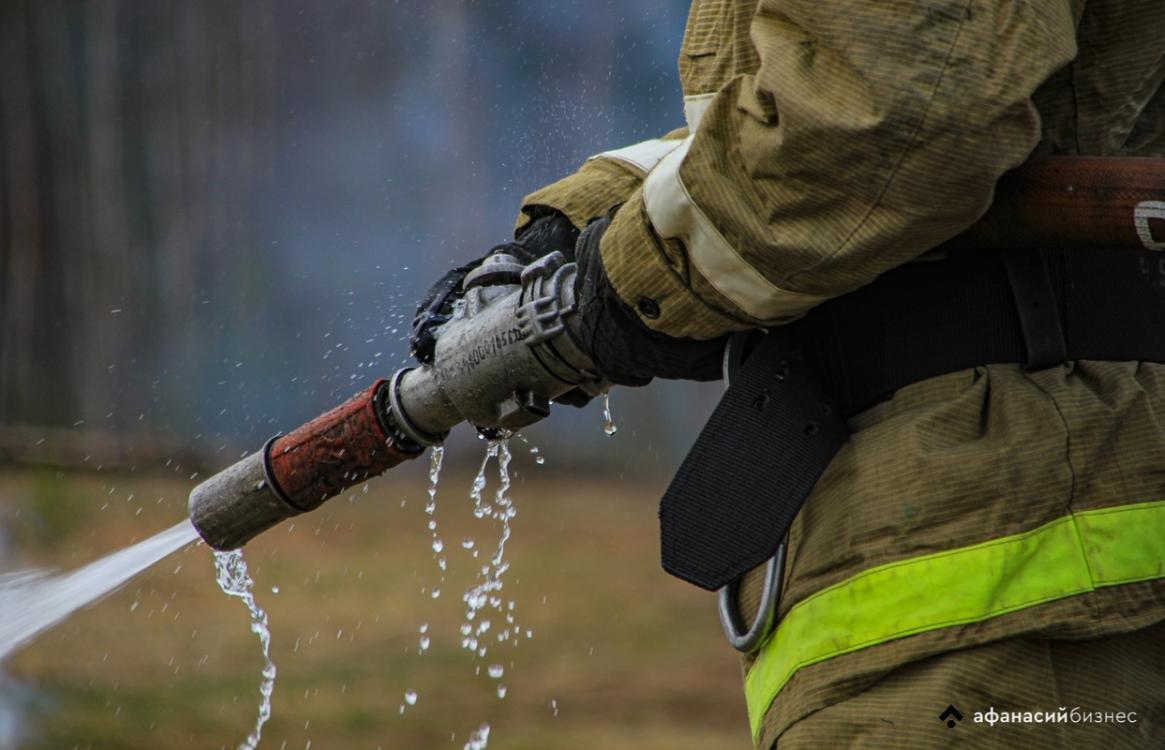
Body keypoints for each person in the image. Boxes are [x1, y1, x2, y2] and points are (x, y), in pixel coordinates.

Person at [415, 1, 1165, 747]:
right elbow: (795, 102)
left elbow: (883, 120)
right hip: (993, 554)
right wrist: (577, 222)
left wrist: (617, 291)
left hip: (1003, 563)